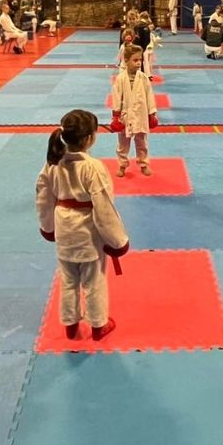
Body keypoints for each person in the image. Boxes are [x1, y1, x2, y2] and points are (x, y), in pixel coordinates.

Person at [36, 109, 130, 342]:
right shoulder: (93, 167)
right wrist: (117, 240)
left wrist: (47, 227)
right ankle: (98, 325)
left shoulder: (53, 163)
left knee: (68, 279)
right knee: (94, 280)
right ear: (89, 138)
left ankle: (70, 323)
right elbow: (104, 207)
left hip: (64, 228)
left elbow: (43, 196)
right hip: (87, 232)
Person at [110, 44, 158, 177]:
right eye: (135, 60)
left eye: (140, 60)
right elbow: (116, 97)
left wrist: (152, 114)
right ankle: (122, 165)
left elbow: (149, 95)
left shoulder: (143, 78)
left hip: (141, 114)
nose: (138, 63)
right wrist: (116, 116)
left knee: (142, 142)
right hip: (124, 116)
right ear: (126, 61)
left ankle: (143, 164)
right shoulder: (120, 79)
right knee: (123, 144)